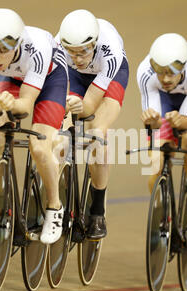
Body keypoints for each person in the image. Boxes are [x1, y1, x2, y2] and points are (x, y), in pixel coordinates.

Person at [0, 8, 68, 245]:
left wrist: (11, 103)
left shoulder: (37, 50)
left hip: (50, 80)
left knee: (40, 146)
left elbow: (24, 106)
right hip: (14, 78)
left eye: (3, 50)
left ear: (18, 44)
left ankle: (55, 207)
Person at [137, 33, 187, 242]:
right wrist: (152, 120)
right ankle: (163, 209)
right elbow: (153, 126)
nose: (164, 78)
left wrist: (178, 121)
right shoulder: (145, 73)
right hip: (165, 99)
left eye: (171, 72)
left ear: (182, 67)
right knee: (155, 158)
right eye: (160, 72)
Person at [56, 9, 129, 240]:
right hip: (74, 77)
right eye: (72, 52)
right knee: (61, 136)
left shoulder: (111, 51)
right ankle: (57, 201)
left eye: (83, 52)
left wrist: (78, 107)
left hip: (110, 78)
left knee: (95, 135)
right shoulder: (56, 47)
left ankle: (97, 211)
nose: (78, 58)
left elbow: (88, 107)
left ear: (95, 44)